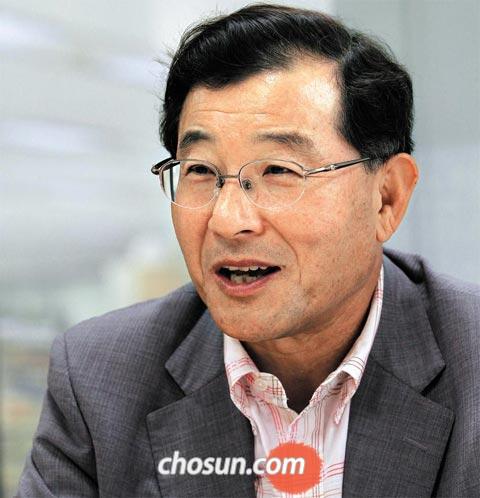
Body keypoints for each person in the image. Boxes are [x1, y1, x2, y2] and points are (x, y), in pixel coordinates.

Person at [16, 4, 479, 498]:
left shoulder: (469, 362)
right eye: (200, 171)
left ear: (387, 197)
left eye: (278, 171)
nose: (228, 219)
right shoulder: (100, 377)